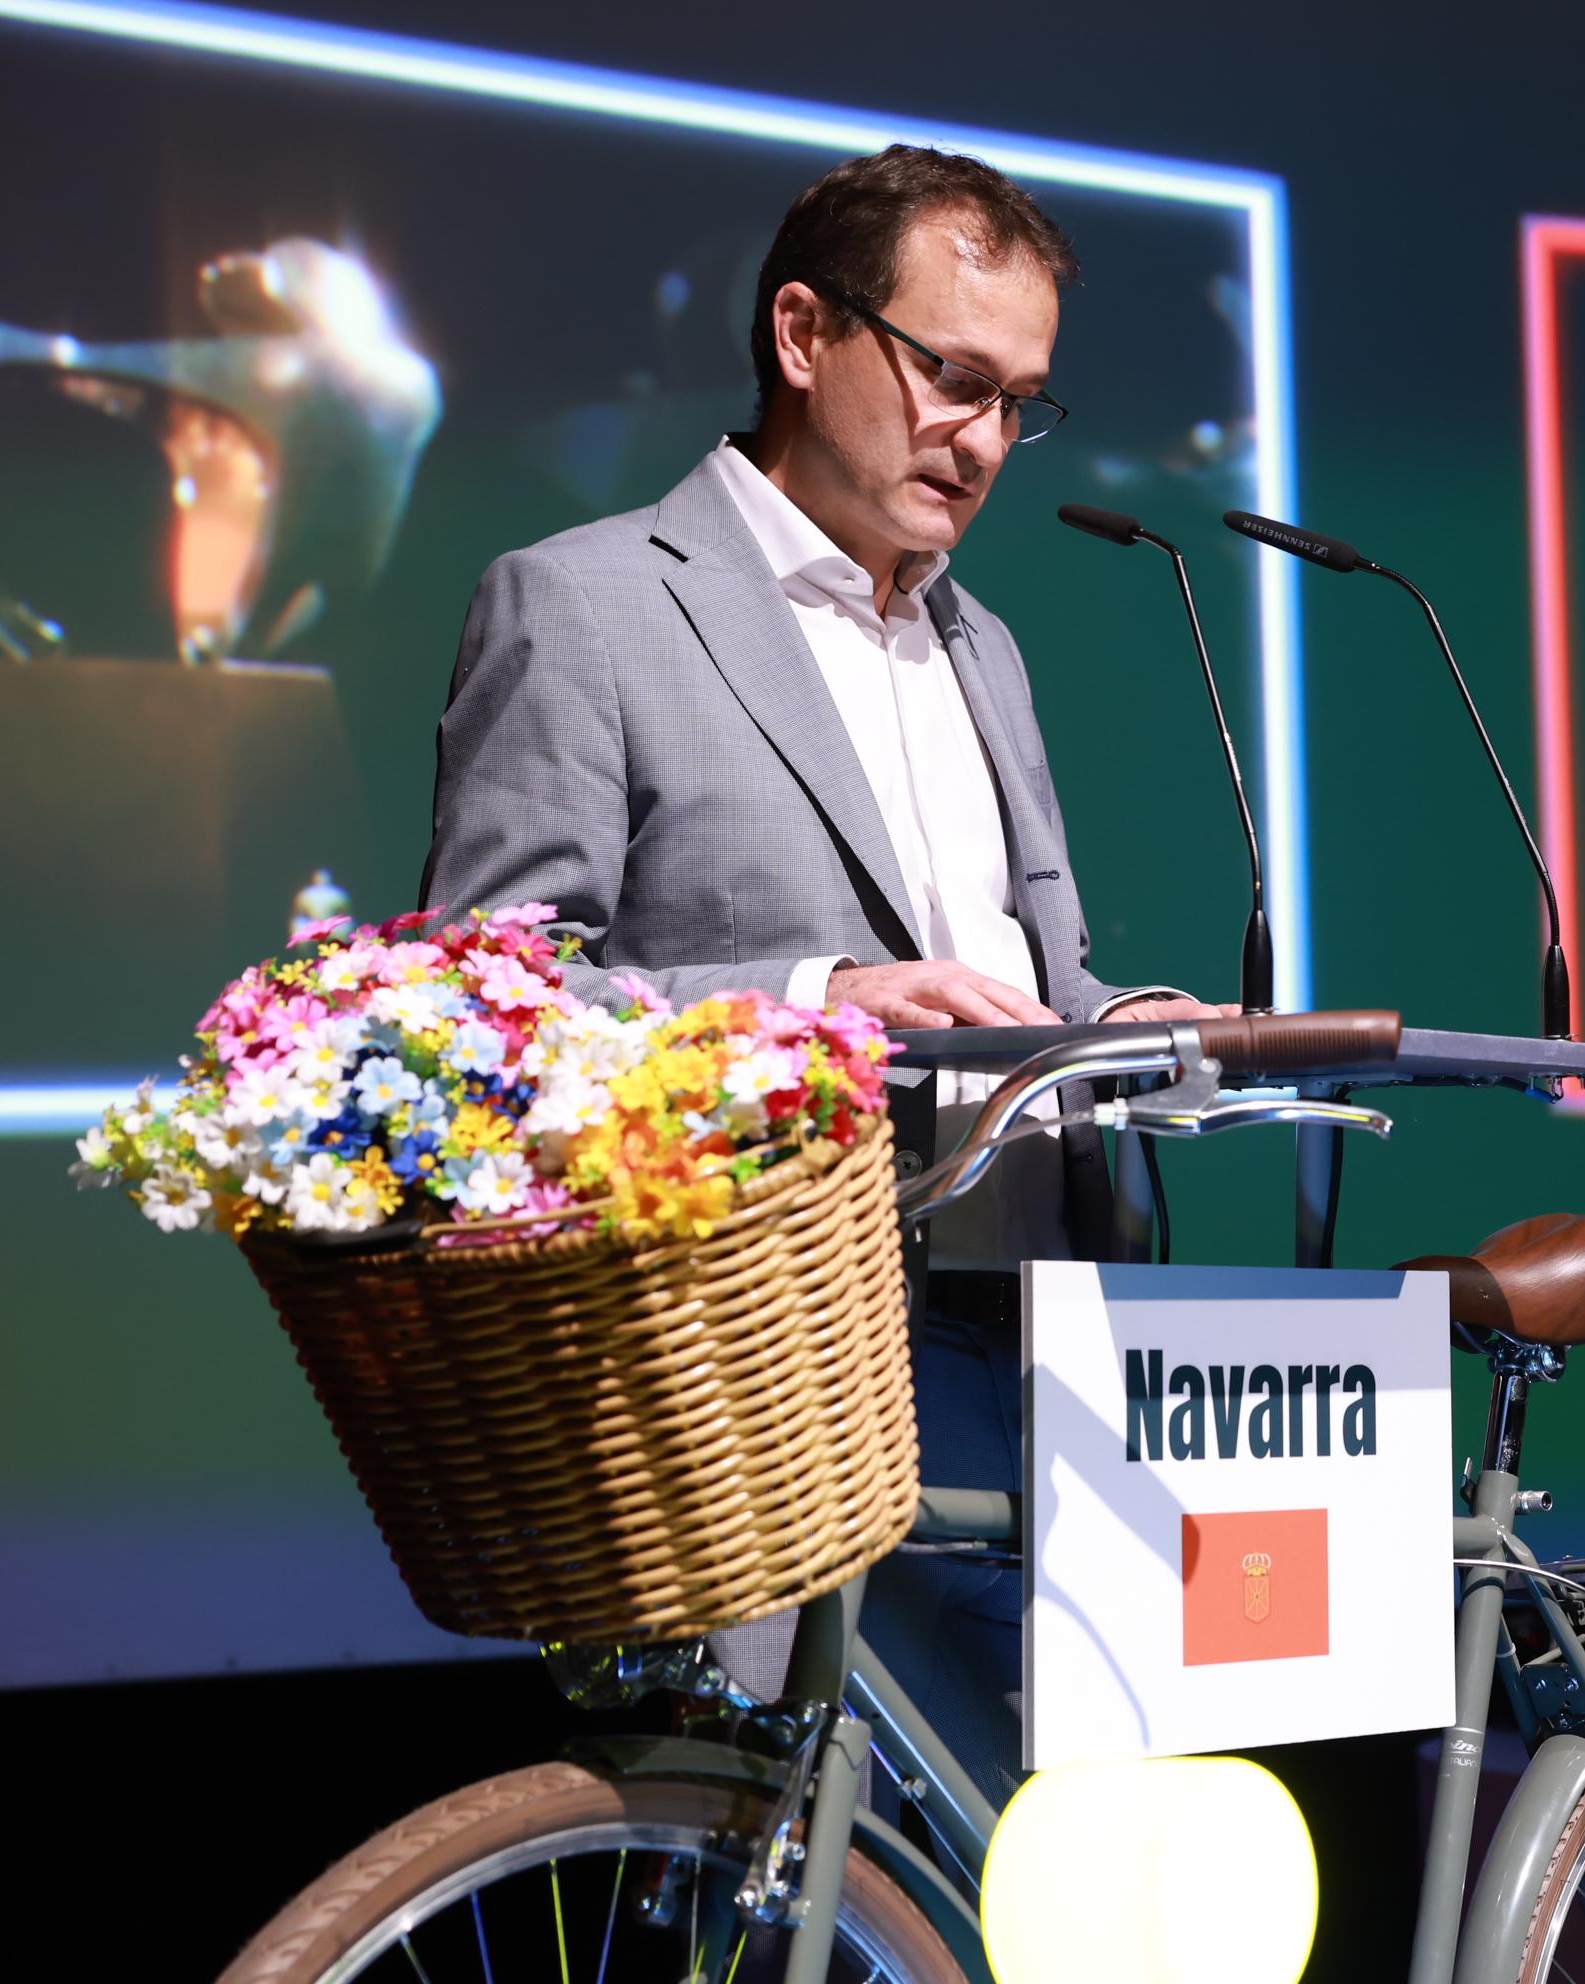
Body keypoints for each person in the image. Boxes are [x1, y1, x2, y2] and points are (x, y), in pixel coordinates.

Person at [419, 145, 1223, 1790]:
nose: (988, 440)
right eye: (954, 379)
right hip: (769, 1355)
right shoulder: (580, 608)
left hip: (1038, 1347)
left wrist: (1115, 1026)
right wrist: (808, 1009)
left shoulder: (982, 645)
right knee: (769, 1874)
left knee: (1052, 1879)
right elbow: (475, 1008)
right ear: (804, 332)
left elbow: (1025, 973)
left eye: (1023, 403)